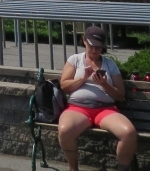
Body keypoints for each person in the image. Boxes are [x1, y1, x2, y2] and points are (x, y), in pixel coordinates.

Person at [57, 26, 137, 171]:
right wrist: (83, 78)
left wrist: (105, 84)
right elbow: (64, 86)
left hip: (105, 109)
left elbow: (120, 95)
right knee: (64, 131)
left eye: (98, 47)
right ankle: (73, 168)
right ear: (84, 42)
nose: (94, 50)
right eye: (91, 46)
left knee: (128, 133)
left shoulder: (110, 65)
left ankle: (123, 168)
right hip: (78, 108)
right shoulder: (75, 60)